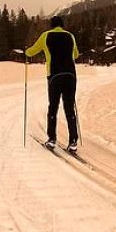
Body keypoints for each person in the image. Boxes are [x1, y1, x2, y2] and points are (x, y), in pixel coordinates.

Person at [25, 15, 80, 152]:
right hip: (70, 75)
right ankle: (73, 140)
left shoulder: (45, 36)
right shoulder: (70, 36)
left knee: (53, 107)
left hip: (54, 75)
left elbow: (32, 51)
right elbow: (76, 55)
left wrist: (26, 51)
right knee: (69, 108)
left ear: (51, 25)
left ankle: (52, 139)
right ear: (62, 25)